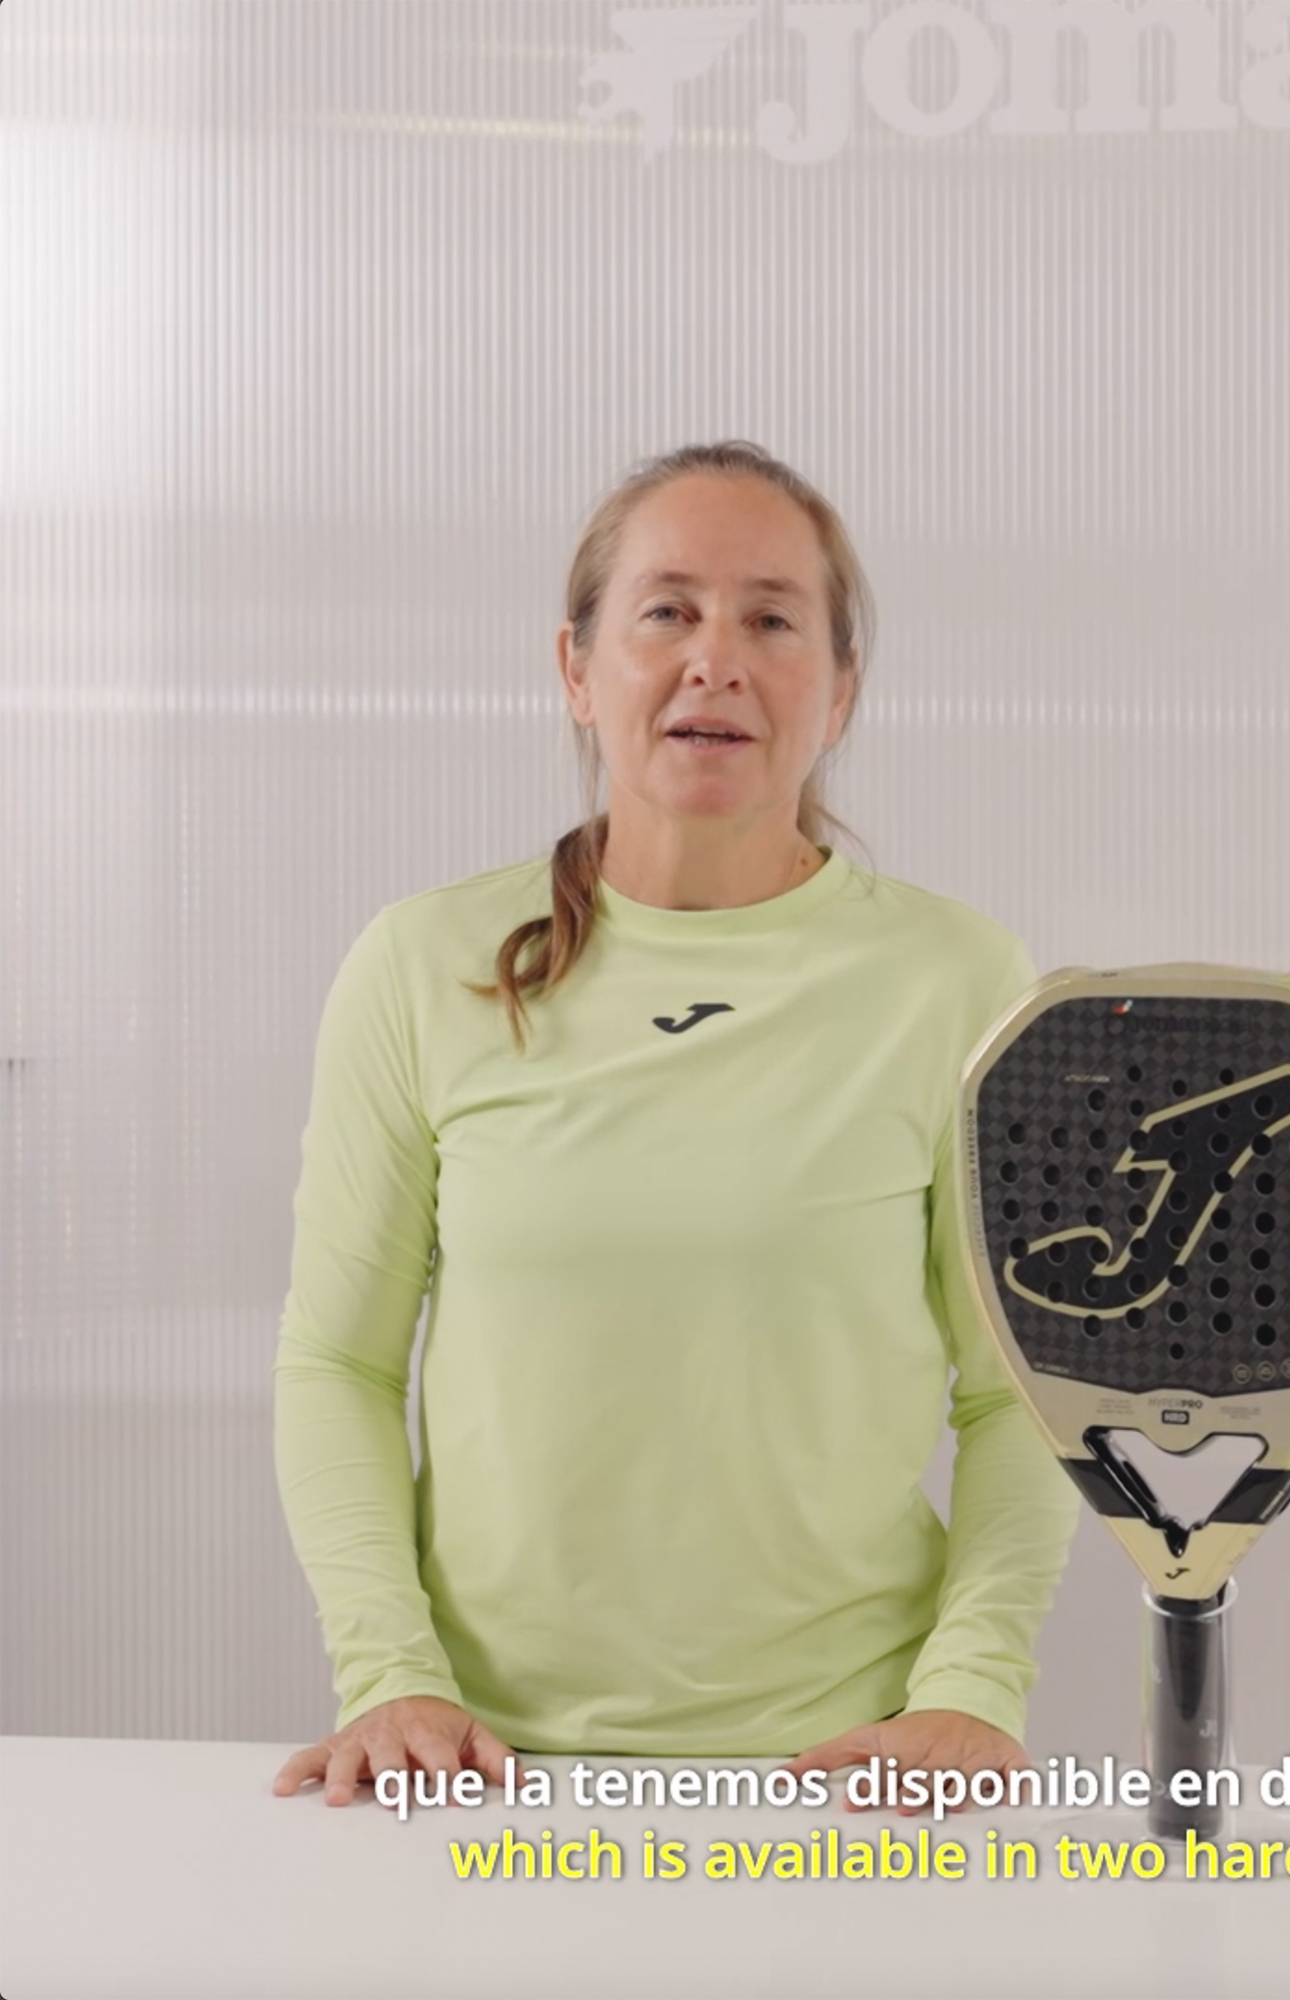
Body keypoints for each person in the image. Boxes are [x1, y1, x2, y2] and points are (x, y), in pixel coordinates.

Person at [271, 442, 1078, 1808]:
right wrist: (388, 1676)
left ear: (841, 689)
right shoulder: (421, 965)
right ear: (578, 670)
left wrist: (970, 1692)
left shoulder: (960, 981)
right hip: (484, 1775)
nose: (717, 661)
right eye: (667, 611)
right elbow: (337, 1364)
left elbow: (1019, 1390)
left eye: (772, 619)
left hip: (851, 1778)